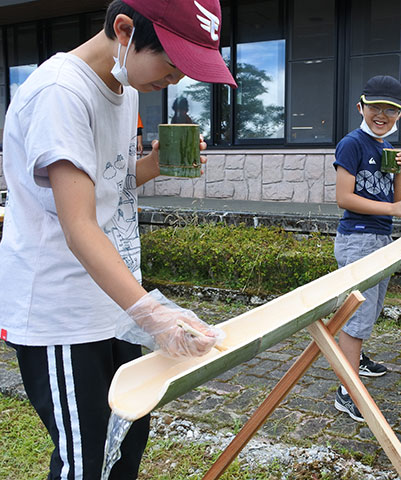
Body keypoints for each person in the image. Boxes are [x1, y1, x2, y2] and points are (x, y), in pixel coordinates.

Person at [0, 0, 236, 478]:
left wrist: (156, 164)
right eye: (171, 67)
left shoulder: (124, 87)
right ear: (125, 30)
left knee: (123, 444)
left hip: (114, 302)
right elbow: (79, 224)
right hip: (62, 313)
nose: (175, 82)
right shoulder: (61, 92)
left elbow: (111, 180)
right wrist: (155, 314)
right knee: (86, 462)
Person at [333, 75, 401, 421]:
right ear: (361, 107)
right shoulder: (352, 144)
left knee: (371, 308)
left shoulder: (386, 148)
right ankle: (345, 390)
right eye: (375, 107)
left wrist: (399, 170)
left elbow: (394, 199)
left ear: (399, 114)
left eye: (391, 109)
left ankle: (357, 360)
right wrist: (394, 209)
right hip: (358, 239)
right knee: (356, 316)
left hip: (381, 238)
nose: (382, 114)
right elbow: (344, 198)